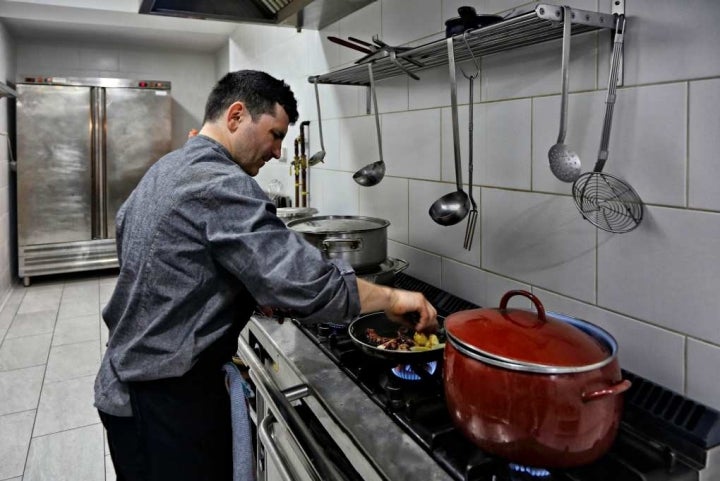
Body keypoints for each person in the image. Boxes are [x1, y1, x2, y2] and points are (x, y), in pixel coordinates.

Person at [94, 70, 438, 481]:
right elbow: (306, 283)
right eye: (275, 135)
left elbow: (164, 262)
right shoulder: (220, 182)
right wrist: (395, 299)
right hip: (165, 399)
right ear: (237, 115)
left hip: (134, 381)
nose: (278, 152)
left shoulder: (171, 167)